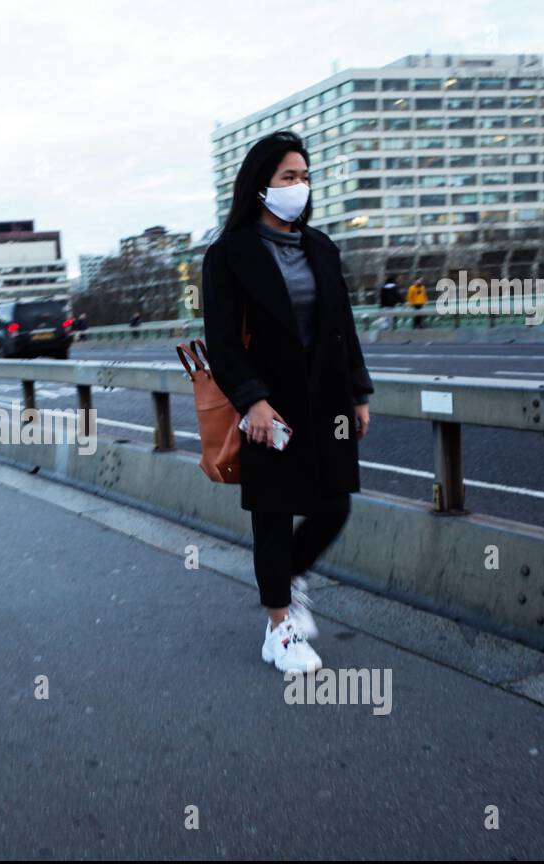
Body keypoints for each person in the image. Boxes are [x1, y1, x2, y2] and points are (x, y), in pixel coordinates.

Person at [202, 130, 373, 675]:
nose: (299, 186)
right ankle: (279, 628)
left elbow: (342, 327)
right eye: (288, 177)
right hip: (267, 406)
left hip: (328, 401)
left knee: (335, 503)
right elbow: (223, 342)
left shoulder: (321, 247)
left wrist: (359, 393)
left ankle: (291, 577)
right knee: (273, 515)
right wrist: (252, 401)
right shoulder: (228, 255)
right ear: (261, 186)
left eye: (304, 176)